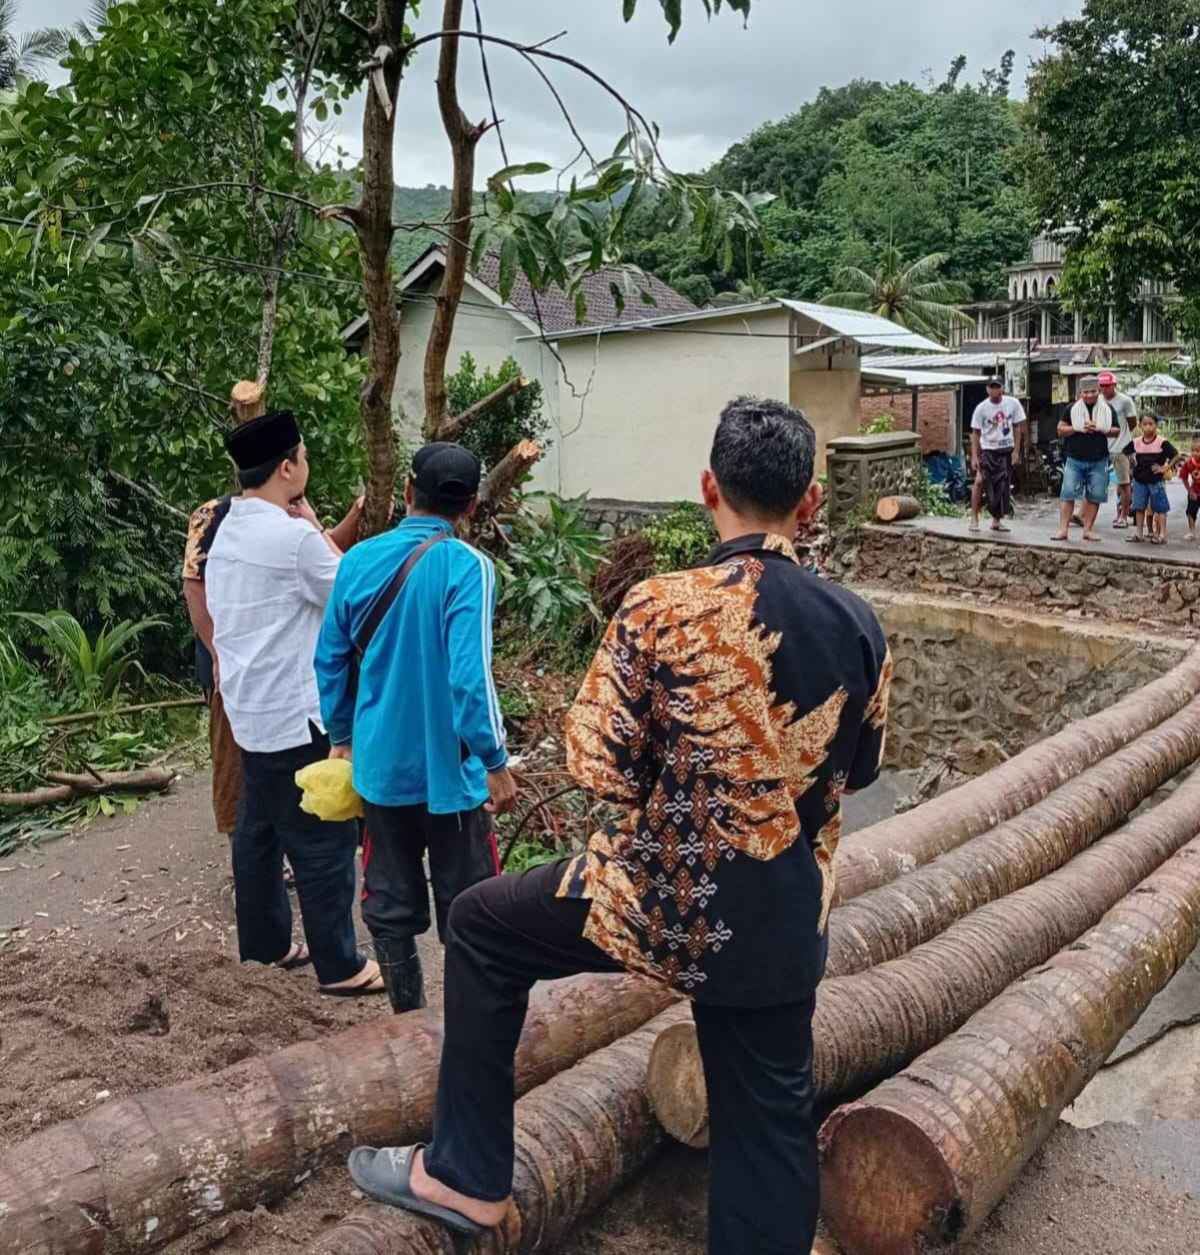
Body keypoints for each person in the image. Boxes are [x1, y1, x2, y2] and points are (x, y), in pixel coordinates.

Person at [344, 398, 893, 1254]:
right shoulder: (860, 623)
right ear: (811, 501)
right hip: (784, 916)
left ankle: (465, 1176)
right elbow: (856, 769)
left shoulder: (658, 606)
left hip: (662, 897)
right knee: (769, 1120)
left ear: (709, 488)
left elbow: (597, 766)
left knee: (482, 926)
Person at [314, 443, 515, 1014]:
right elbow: (470, 680)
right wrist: (496, 763)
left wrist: (344, 738)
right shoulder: (468, 568)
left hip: (380, 772)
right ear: (471, 506)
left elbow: (328, 659)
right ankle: (467, 1024)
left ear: (407, 492)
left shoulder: (356, 561)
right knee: (471, 906)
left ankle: (410, 1024)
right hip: (451, 782)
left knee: (390, 906)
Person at [205, 409, 383, 996]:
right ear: (288, 467)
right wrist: (313, 527)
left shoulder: (226, 524)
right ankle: (341, 966)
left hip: (248, 709)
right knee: (323, 842)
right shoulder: (290, 538)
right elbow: (351, 593)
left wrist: (307, 528)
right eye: (303, 456)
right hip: (295, 712)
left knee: (256, 836)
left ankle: (266, 948)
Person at [181, 380, 266, 838]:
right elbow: (194, 585)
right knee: (233, 756)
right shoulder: (212, 515)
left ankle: (273, 849)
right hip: (224, 657)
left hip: (274, 657)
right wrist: (216, 651)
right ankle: (245, 850)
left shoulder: (289, 512)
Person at [1053, 375, 1112, 544]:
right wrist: (1078, 428)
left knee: (1095, 495)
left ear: (1098, 391)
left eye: (1093, 391)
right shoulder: (1071, 409)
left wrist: (1100, 428)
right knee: (1067, 493)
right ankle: (1063, 529)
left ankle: (1088, 530)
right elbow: (1060, 429)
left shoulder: (1106, 409)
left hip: (1099, 458)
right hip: (1075, 458)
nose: (1089, 395)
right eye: (1085, 392)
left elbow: (1115, 429)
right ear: (1080, 393)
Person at [969, 377, 1026, 534]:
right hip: (988, 450)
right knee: (980, 481)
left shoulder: (1012, 404)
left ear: (1002, 388)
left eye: (997, 387)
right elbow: (975, 433)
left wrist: (1016, 451)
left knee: (1002, 485)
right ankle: (974, 517)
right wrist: (974, 456)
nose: (994, 390)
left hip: (1006, 450)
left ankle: (996, 520)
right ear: (987, 389)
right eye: (991, 387)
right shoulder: (981, 408)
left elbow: (1017, 427)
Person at [1126, 413, 1179, 546]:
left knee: (1160, 508)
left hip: (1156, 481)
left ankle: (1162, 534)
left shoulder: (1162, 442)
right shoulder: (1136, 442)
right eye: (1145, 424)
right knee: (1139, 507)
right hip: (1139, 480)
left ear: (1156, 425)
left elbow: (1176, 455)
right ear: (1140, 426)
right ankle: (1139, 533)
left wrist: (1164, 468)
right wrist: (1131, 468)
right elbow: (1126, 453)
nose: (1148, 427)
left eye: (1151, 424)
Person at [1100, 370, 1138, 529]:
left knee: (1124, 483)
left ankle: (1124, 516)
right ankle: (1118, 513)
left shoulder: (1125, 401)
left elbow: (1132, 423)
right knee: (1113, 484)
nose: (1105, 389)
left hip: (1121, 447)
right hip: (1103, 447)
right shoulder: (1099, 400)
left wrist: (1121, 435)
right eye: (1102, 386)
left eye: (1108, 385)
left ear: (1114, 385)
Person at [1179, 438, 1200, 543]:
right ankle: (1191, 532)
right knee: (1191, 512)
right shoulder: (1189, 463)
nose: (1195, 453)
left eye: (1198, 451)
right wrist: (1190, 490)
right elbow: (1183, 477)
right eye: (1193, 450)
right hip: (1195, 492)